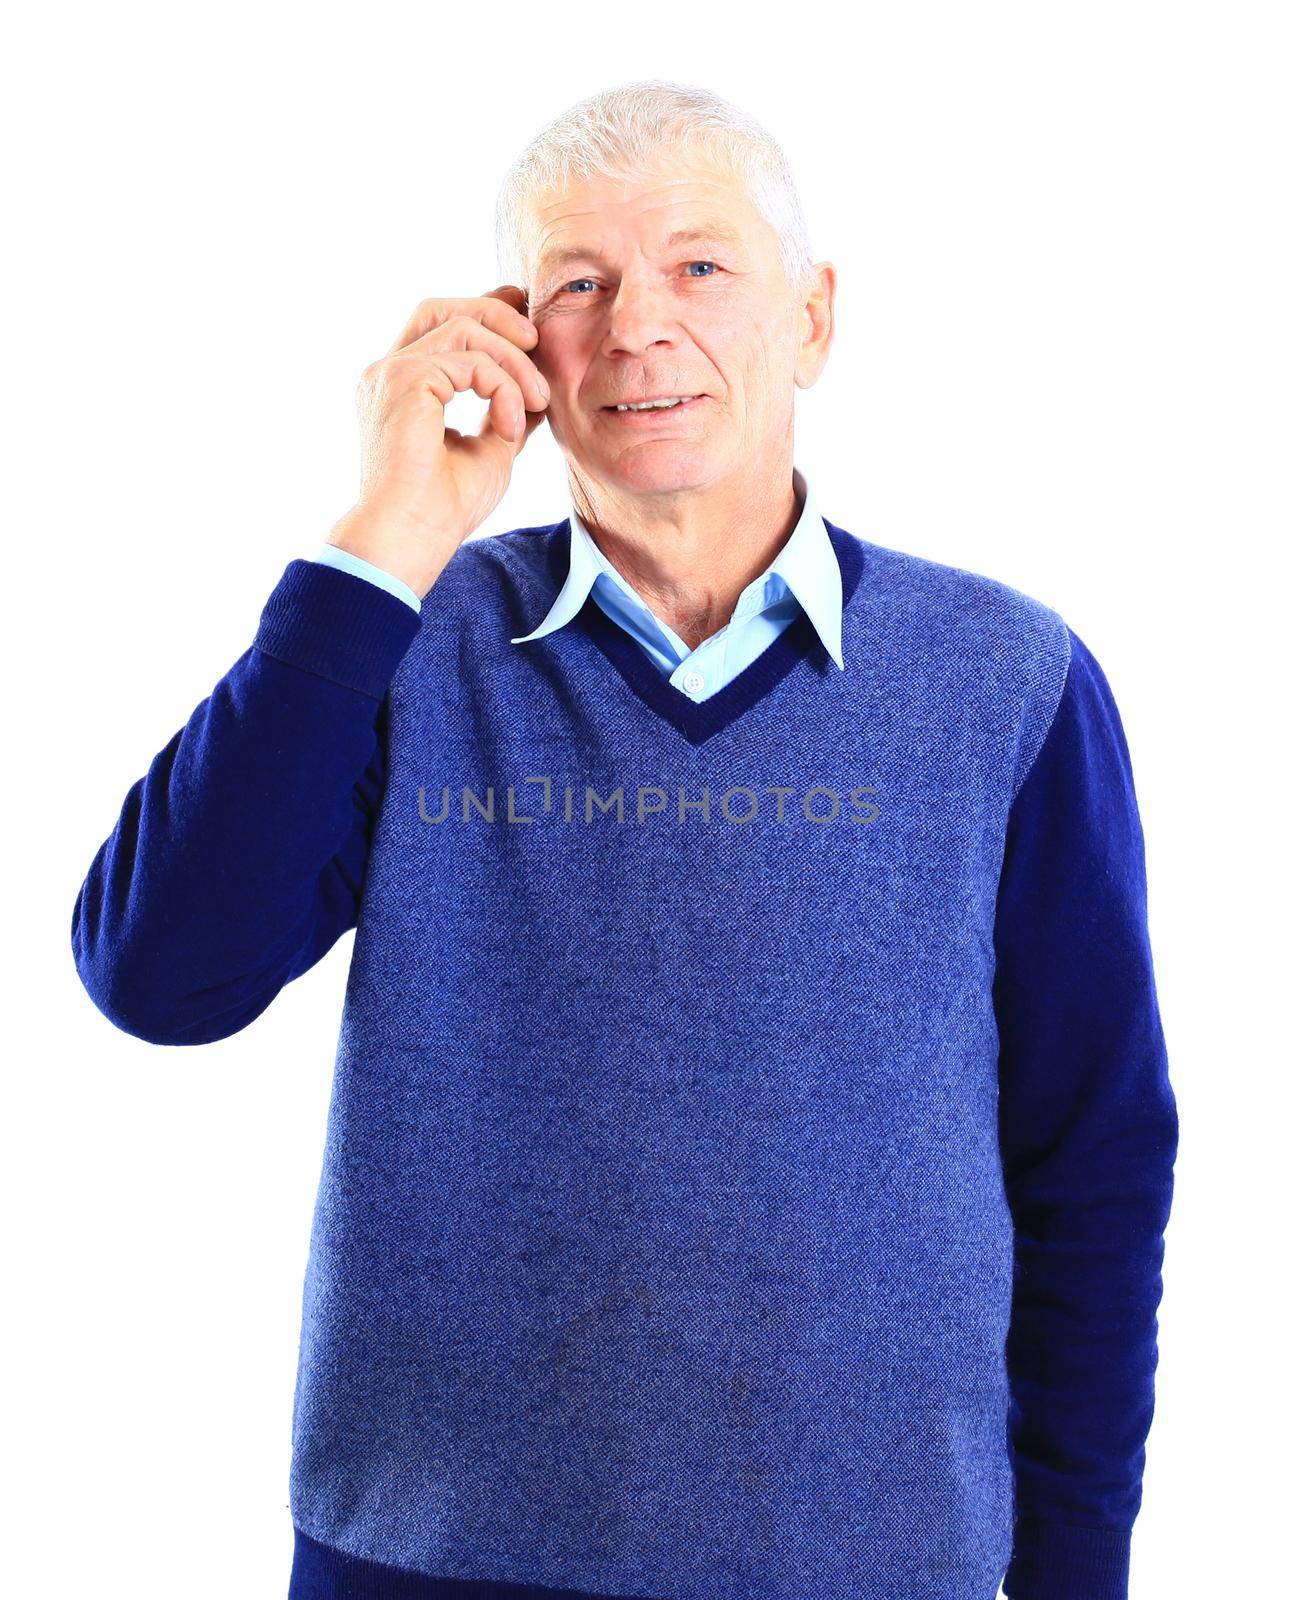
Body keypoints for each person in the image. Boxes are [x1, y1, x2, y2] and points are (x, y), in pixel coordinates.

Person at [70, 79, 1179, 1600]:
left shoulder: (1005, 676)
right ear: (521, 345)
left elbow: (1094, 1157)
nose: (639, 325)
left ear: (812, 320)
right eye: (578, 284)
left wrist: (1072, 1576)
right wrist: (387, 534)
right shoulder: (397, 645)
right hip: (430, 1559)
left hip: (873, 1564)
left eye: (702, 268)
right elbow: (157, 975)